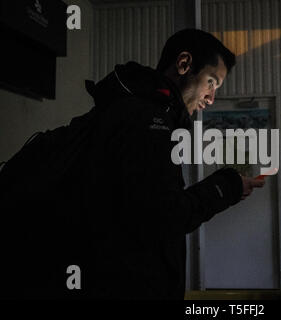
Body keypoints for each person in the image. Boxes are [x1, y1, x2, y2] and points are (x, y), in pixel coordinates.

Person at [0, 29, 265, 299]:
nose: (211, 98)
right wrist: (228, 186)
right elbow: (163, 217)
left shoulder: (126, 110)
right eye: (211, 82)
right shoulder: (148, 121)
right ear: (184, 64)